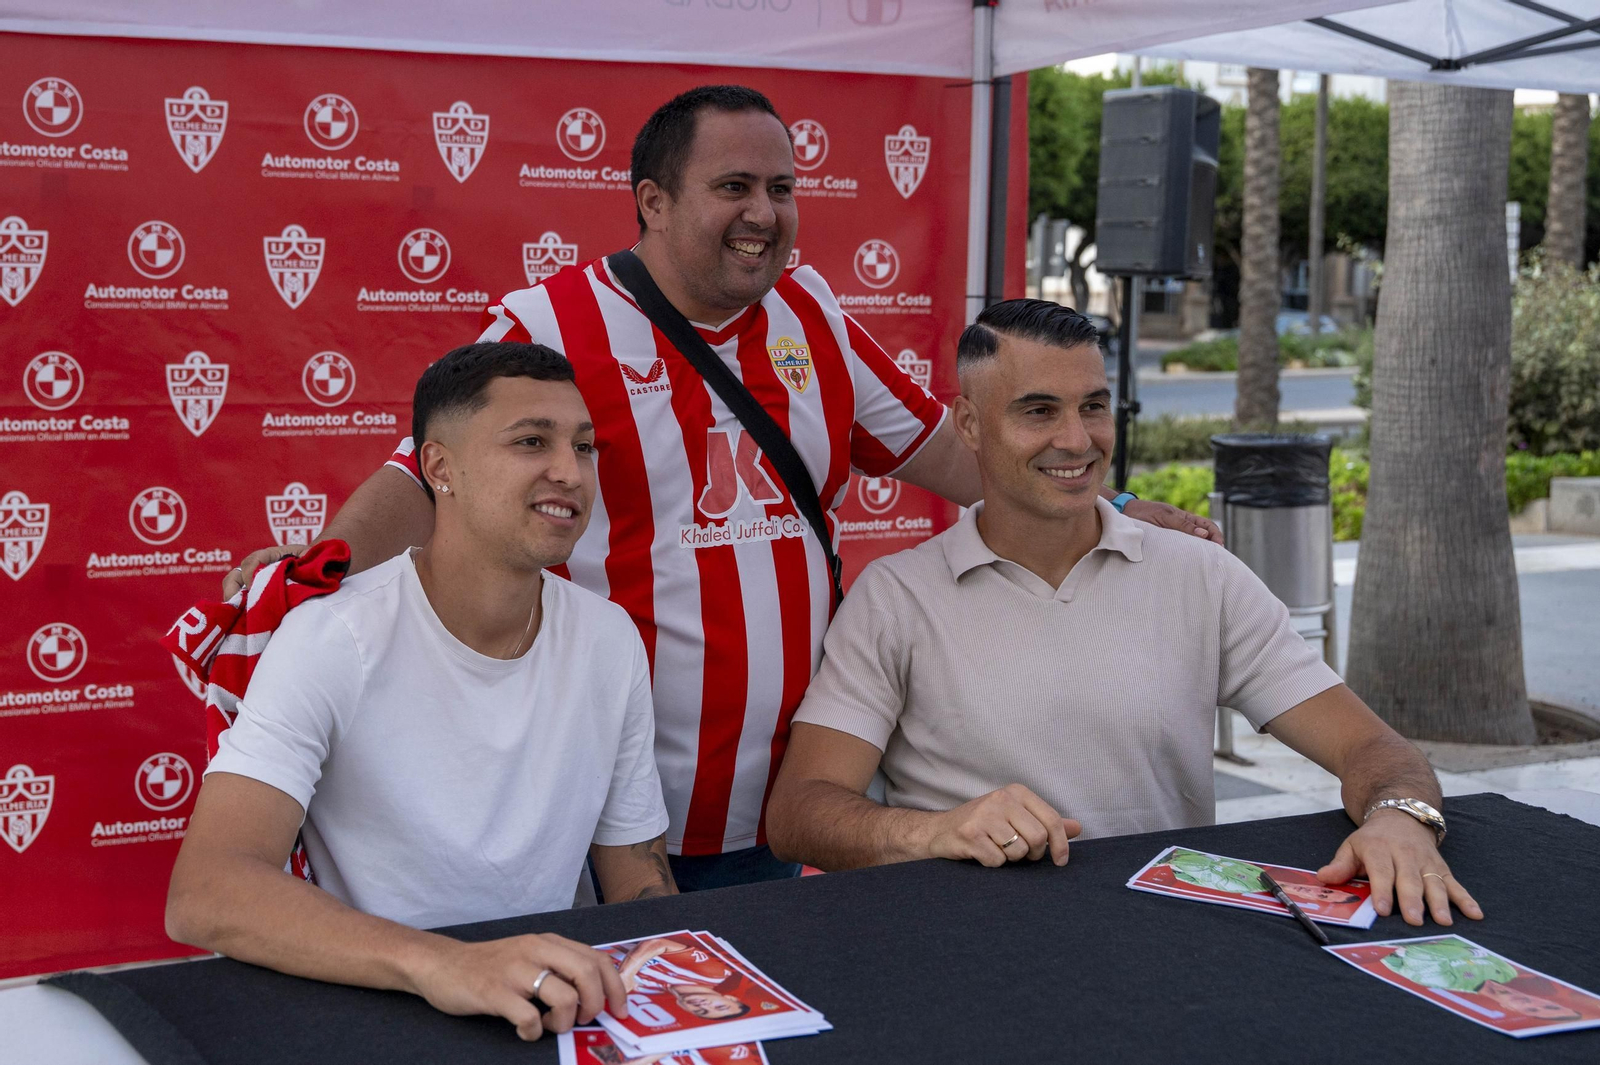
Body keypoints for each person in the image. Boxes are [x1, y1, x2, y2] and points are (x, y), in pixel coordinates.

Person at [224, 86, 1220, 891]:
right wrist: (327, 562)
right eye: (733, 186)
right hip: (600, 812)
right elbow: (422, 469)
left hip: (785, 802)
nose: (764, 214)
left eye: (782, 188)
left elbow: (957, 455)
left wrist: (1113, 513)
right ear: (653, 203)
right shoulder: (553, 319)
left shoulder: (811, 311)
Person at [765, 298, 1483, 929]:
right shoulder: (896, 596)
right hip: (966, 954)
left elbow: (1376, 751)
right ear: (970, 426)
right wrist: (938, 832)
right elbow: (799, 812)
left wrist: (1402, 818)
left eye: (1095, 406)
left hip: (1169, 952)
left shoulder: (1204, 578)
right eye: (1038, 410)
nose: (1078, 440)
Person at [166, 343, 674, 1043]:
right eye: (532, 441)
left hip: (549, 1012)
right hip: (373, 1010)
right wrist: (450, 965)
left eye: (584, 447)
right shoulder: (334, 636)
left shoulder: (609, 639)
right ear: (440, 467)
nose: (570, 470)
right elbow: (205, 891)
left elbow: (638, 883)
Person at [1380, 941, 1582, 1021]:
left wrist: (1463, 951)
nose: (1534, 1005)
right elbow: (1452, 945)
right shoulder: (1506, 971)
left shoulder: (1449, 985)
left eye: (1533, 1012)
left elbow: (1420, 952)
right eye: (1549, 1006)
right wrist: (1459, 951)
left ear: (1511, 1010)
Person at [610, 936, 752, 1020]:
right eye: (719, 1006)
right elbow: (656, 943)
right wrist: (625, 974)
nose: (703, 1006)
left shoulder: (651, 993)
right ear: (731, 998)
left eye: (701, 1012)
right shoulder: (714, 975)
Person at [1162, 848, 1361, 906]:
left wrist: (1173, 862)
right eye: (1326, 891)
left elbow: (1187, 876)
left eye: (1322, 897)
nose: (1315, 891)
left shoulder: (1241, 887)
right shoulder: (1261, 873)